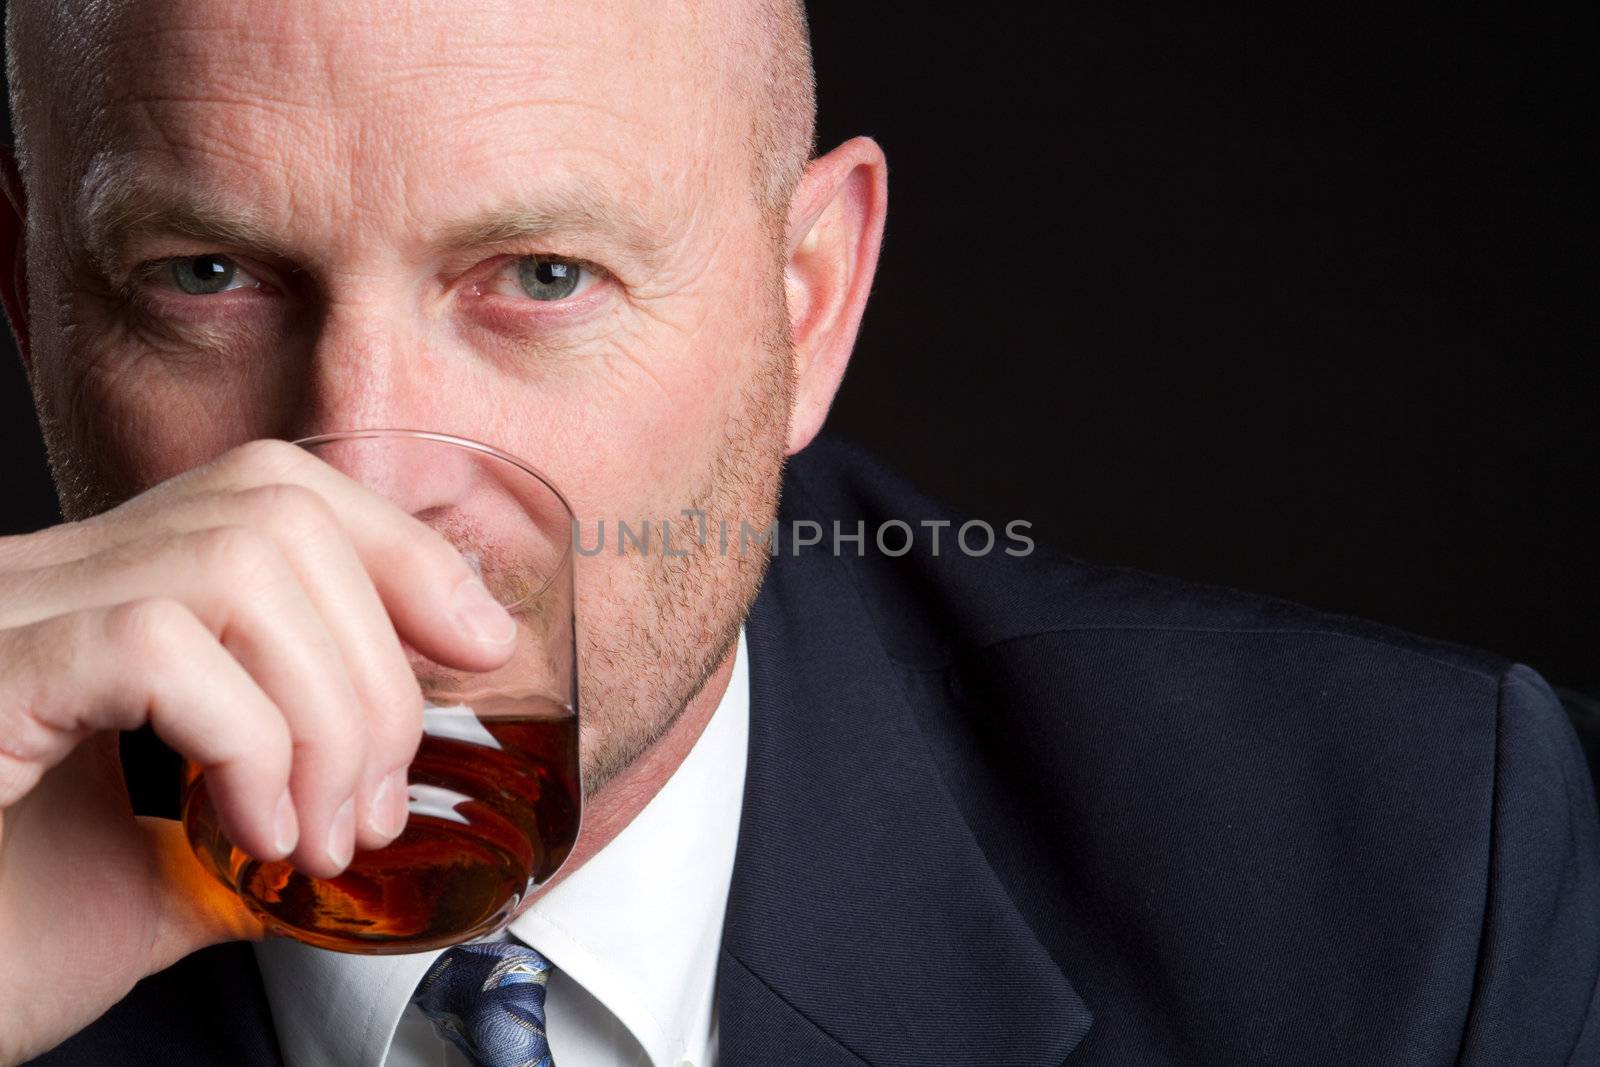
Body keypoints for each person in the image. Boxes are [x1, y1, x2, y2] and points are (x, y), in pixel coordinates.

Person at [0, 1, 1594, 1064]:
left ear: (808, 306)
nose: (362, 477)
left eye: (544, 276)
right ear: (28, 308)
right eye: (204, 277)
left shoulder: (1418, 877)